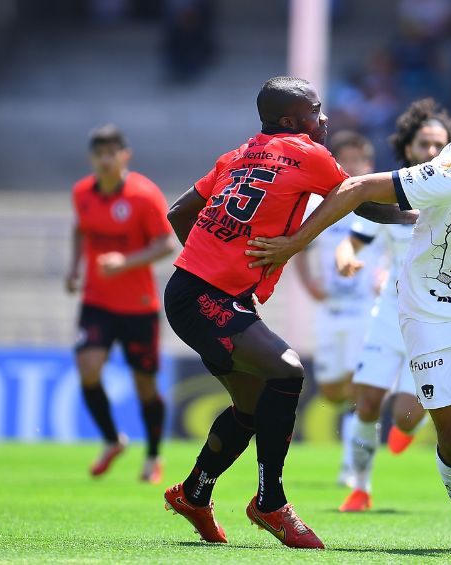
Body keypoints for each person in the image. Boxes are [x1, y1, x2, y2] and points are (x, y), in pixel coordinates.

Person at [246, 101, 451, 551]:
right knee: (449, 438)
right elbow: (356, 189)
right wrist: (294, 244)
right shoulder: (450, 169)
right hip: (429, 314)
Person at [160, 76, 413, 549]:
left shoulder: (235, 155)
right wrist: (420, 213)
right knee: (288, 370)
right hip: (207, 298)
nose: (324, 119)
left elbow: (178, 213)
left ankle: (194, 494)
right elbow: (363, 201)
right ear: (292, 120)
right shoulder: (307, 152)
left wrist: (214, 261)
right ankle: (270, 502)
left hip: (190, 291)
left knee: (251, 407)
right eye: (317, 111)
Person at [332, 98, 451, 512]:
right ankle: (360, 486)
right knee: (367, 404)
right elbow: (350, 240)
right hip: (389, 317)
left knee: (406, 416)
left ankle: (408, 428)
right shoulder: (390, 197)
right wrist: (347, 260)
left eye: (439, 145)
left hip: (435, 325)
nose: (431, 153)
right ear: (407, 148)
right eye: (424, 144)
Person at [66, 124, 176, 483]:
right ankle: (113, 440)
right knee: (88, 368)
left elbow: (166, 244)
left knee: (145, 385)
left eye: (111, 152)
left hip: (138, 306)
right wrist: (74, 268)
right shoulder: (82, 191)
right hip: (96, 300)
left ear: (124, 155)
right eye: (99, 153)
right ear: (91, 158)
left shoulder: (144, 195)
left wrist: (124, 262)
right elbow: (80, 228)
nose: (105, 159)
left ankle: (154, 456)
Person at [290, 130, 382, 487]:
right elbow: (300, 244)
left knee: (361, 387)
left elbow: (392, 246)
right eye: (343, 159)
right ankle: (357, 432)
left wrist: (383, 273)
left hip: (364, 308)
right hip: (330, 306)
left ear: (367, 163)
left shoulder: (376, 203)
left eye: (356, 159)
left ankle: (355, 468)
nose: (350, 165)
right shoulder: (319, 203)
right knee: (331, 389)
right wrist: (309, 282)